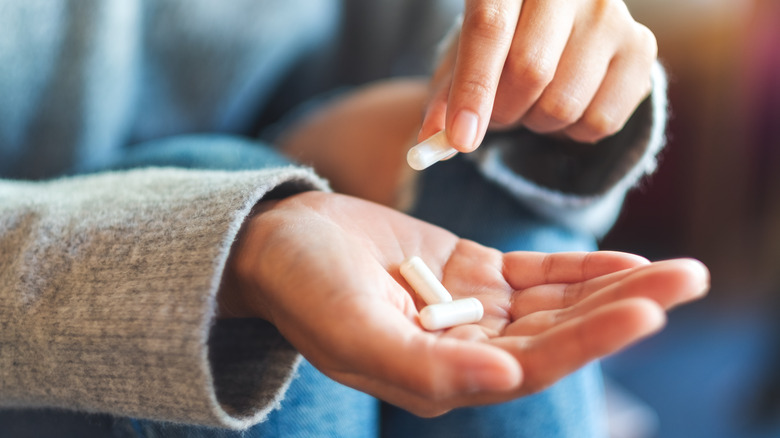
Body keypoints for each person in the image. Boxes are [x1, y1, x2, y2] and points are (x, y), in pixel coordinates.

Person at [0, 0, 709, 437]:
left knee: (488, 197)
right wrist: (222, 245)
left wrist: (556, 88)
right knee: (242, 243)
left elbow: (428, 70)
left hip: (301, 158)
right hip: (39, 322)